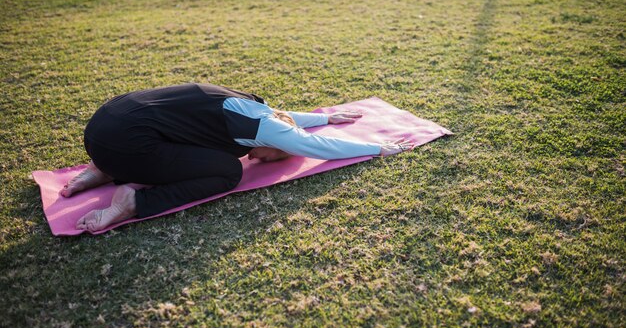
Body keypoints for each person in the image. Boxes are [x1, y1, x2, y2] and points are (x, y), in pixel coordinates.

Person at [61, 83, 413, 232]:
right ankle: (134, 200)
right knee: (227, 171)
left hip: (102, 127)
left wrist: (323, 117)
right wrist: (377, 148)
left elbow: (279, 118)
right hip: (126, 144)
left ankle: (103, 169)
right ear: (278, 142)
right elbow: (314, 146)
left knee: (187, 139)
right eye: (274, 158)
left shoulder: (248, 105)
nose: (261, 160)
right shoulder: (268, 130)